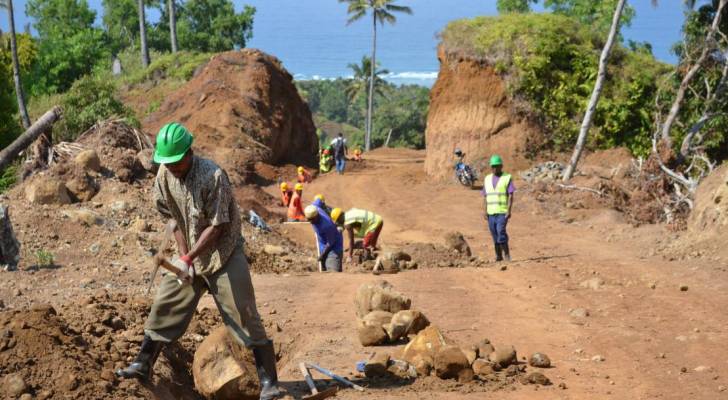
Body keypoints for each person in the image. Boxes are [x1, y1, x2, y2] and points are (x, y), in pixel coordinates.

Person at [116, 123, 282, 400]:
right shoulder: (164, 177)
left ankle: (268, 381)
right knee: (166, 303)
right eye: (166, 162)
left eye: (175, 162)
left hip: (223, 255)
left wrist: (190, 256)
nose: (170, 167)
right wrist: (185, 258)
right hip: (191, 255)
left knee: (244, 313)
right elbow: (173, 218)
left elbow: (217, 228)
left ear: (189, 152)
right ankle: (143, 364)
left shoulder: (213, 176)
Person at [483, 154, 515, 262]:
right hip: (491, 213)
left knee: (500, 232)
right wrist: (484, 211)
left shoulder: (507, 178)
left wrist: (509, 210)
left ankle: (506, 254)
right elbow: (485, 196)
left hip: (502, 212)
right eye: (493, 166)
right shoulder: (487, 179)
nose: (495, 168)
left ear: (501, 166)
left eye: (497, 166)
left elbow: (511, 195)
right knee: (494, 234)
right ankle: (498, 255)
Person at [304, 205, 343, 272]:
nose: (310, 222)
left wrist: (322, 255)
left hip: (333, 249)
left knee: (333, 273)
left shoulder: (327, 225)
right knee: (323, 271)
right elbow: (318, 201)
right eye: (308, 219)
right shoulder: (315, 208)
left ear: (316, 216)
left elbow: (330, 243)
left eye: (311, 219)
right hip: (323, 246)